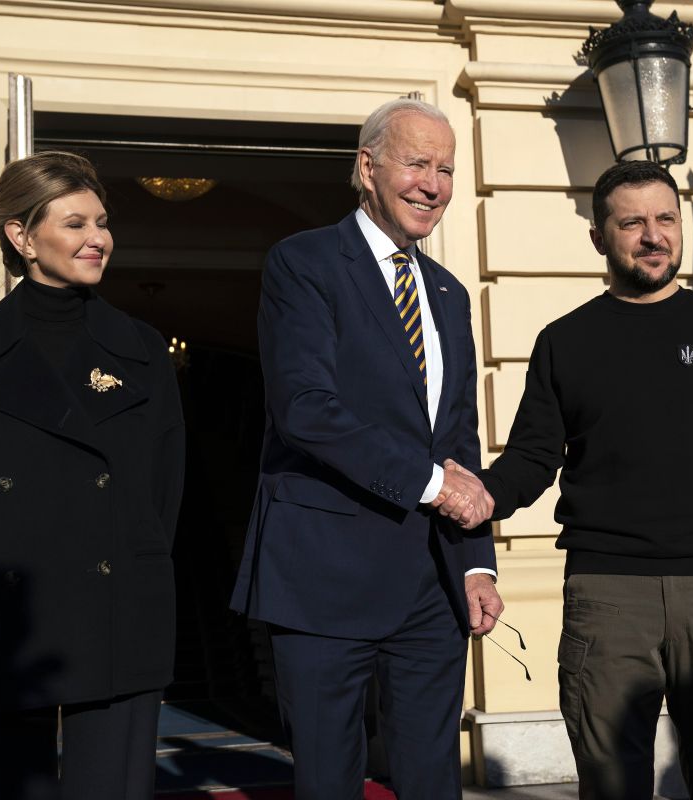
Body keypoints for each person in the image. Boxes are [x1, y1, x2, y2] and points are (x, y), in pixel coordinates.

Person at [470, 160, 693, 799]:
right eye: (633, 223)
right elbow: (533, 459)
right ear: (600, 237)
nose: (654, 236)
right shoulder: (564, 341)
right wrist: (481, 493)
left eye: (665, 219)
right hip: (606, 595)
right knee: (612, 787)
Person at [229, 98, 502, 800]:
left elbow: (459, 440)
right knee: (327, 781)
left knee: (432, 780)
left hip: (430, 586)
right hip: (323, 579)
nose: (433, 185)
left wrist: (475, 565)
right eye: (416, 163)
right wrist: (430, 484)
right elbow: (306, 411)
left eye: (445, 169)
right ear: (367, 167)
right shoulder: (304, 262)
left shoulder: (447, 293)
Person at [0, 151, 185, 800]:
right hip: (0, 617)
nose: (98, 239)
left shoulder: (141, 349)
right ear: (21, 236)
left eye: (103, 222)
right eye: (75, 224)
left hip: (115, 608)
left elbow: (163, 488)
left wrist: (137, 567)